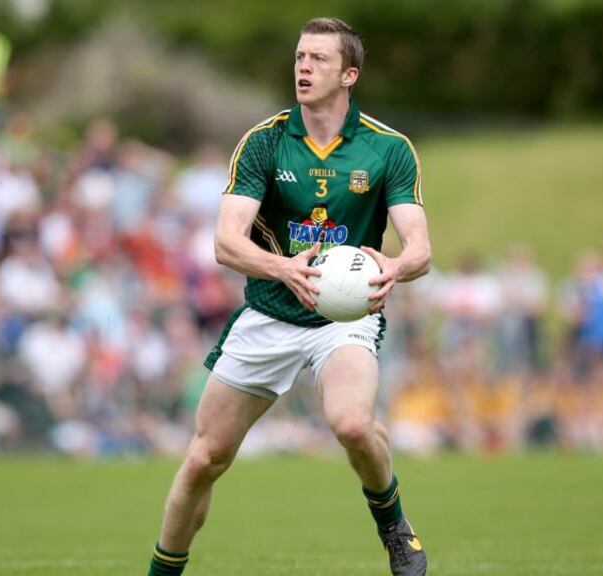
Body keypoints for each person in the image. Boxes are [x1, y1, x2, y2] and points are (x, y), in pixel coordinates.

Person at [147, 18, 431, 575]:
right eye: (300, 56)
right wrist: (285, 269)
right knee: (204, 458)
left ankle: (394, 527)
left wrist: (395, 267)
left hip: (344, 317)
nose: (303, 67)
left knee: (351, 423)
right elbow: (227, 243)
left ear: (349, 74)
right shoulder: (264, 142)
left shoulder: (387, 149)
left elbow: (419, 248)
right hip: (270, 313)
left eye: (319, 59)